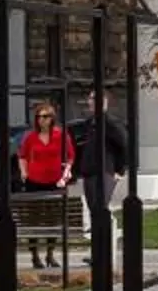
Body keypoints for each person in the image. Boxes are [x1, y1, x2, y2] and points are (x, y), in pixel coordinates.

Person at [13, 103, 76, 269]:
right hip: (34, 182)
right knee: (34, 219)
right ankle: (35, 255)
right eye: (39, 117)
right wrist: (24, 172)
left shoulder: (61, 135)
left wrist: (66, 173)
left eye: (45, 116)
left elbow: (70, 156)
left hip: (55, 182)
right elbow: (22, 156)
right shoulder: (31, 137)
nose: (42, 120)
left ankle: (50, 254)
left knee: (53, 218)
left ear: (52, 118)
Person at [67, 88, 131, 239]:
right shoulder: (89, 123)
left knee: (100, 207)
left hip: (105, 172)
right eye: (89, 98)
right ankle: (98, 244)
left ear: (104, 102)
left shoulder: (110, 123)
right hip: (89, 173)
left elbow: (125, 145)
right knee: (93, 210)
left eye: (94, 98)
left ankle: (106, 242)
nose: (90, 102)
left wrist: (120, 170)